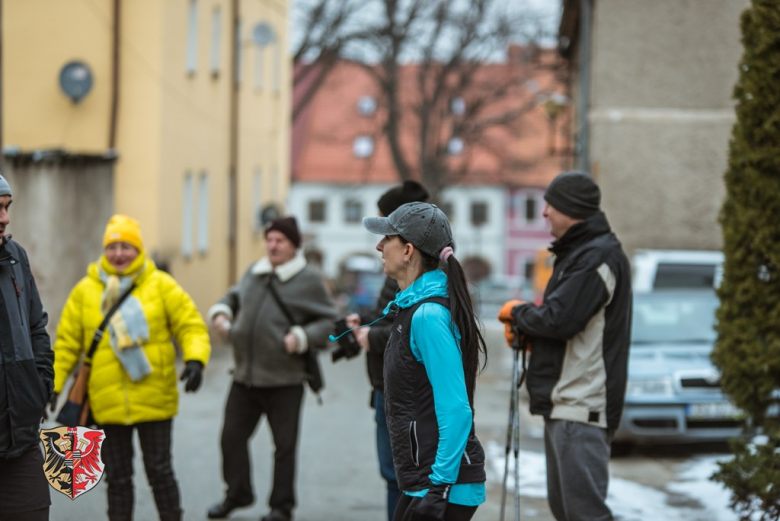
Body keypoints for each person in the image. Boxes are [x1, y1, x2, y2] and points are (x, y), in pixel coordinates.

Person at [52, 214, 211, 521]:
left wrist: (195, 359)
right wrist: (53, 385)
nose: (119, 254)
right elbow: (67, 344)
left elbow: (190, 325)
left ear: (139, 250)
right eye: (113, 247)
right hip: (107, 402)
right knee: (118, 479)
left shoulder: (161, 285)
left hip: (154, 398)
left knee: (160, 472)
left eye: (127, 246)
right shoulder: (86, 291)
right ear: (104, 250)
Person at [498, 171, 632, 521]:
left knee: (584, 513)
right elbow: (567, 325)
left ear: (571, 210)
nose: (544, 213)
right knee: (567, 511)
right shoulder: (581, 255)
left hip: (581, 406)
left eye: (551, 205)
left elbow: (559, 320)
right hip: (567, 405)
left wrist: (519, 313)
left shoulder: (596, 259)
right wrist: (531, 335)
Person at [207, 216, 338, 521]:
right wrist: (222, 313)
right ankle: (238, 494)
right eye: (270, 239)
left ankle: (281, 507)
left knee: (284, 448)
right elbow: (233, 296)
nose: (273, 245)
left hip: (285, 380)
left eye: (280, 240)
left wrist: (302, 337)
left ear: (294, 246)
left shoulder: (308, 279)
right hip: (245, 378)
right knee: (231, 439)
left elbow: (331, 323)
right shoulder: (255, 271)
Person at [362, 202, 487, 521]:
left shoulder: (428, 316)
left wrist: (438, 490)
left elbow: (456, 410)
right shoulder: (412, 308)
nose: (378, 246)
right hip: (425, 481)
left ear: (407, 250)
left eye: (385, 238)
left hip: (442, 486)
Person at [344, 180, 429, 521]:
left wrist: (369, 337)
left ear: (407, 244)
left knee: (400, 475)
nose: (378, 245)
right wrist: (363, 320)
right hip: (388, 384)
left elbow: (404, 328)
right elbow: (391, 312)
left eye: (386, 227)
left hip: (399, 390)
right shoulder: (403, 275)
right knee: (396, 474)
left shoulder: (425, 291)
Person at [0, 174, 54, 521]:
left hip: (20, 437)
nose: (5, 218)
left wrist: (40, 386)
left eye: (5, 208)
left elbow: (36, 325)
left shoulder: (16, 257)